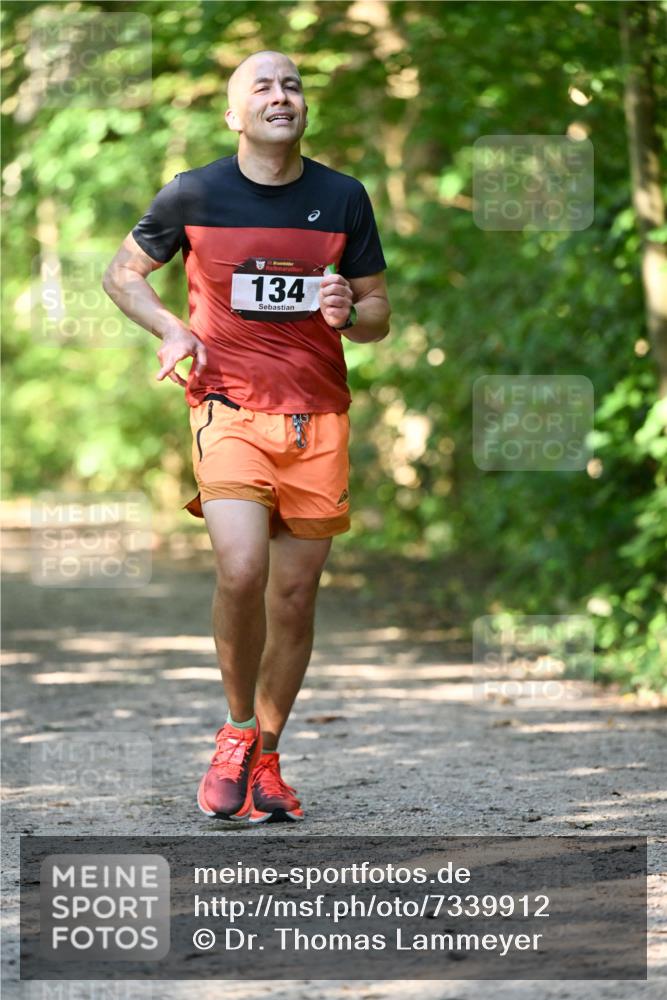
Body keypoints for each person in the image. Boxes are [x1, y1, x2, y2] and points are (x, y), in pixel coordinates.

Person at [103, 50, 390, 823]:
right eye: (261, 85)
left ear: (303, 108)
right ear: (235, 114)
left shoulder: (342, 198)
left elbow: (377, 316)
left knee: (294, 597)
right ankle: (235, 730)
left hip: (316, 416)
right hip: (226, 406)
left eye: (292, 83)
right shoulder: (192, 192)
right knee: (240, 569)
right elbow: (121, 273)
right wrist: (171, 328)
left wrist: (345, 311)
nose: (280, 94)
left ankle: (267, 753)